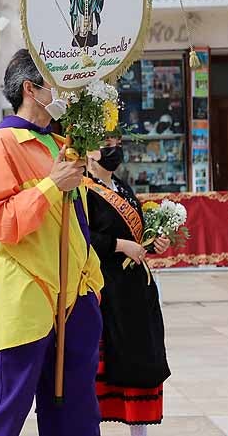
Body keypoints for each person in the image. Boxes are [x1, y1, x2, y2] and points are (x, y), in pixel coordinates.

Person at [0, 49, 104, 436]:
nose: (64, 90)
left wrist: (93, 282)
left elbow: (77, 222)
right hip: (32, 289)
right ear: (31, 88)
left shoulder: (60, 143)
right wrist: (50, 186)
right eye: (56, 81)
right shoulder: (2, 143)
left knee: (75, 400)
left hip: (76, 290)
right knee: (10, 398)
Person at [85, 138, 171, 434]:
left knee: (142, 357)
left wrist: (155, 242)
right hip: (107, 285)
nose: (112, 148)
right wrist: (121, 246)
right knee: (107, 362)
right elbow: (83, 238)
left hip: (137, 286)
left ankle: (140, 429)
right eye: (104, 143)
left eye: (115, 142)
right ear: (88, 151)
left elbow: (138, 234)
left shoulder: (122, 187)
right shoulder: (83, 191)